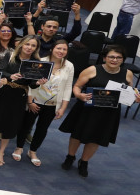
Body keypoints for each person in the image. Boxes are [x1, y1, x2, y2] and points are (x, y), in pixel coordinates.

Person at [59, 44, 140, 177]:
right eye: (111, 57)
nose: (114, 60)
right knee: (77, 134)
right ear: (104, 58)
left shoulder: (128, 74)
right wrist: (79, 95)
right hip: (87, 108)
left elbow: (130, 92)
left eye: (118, 57)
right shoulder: (92, 70)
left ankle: (84, 162)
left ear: (123, 59)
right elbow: (77, 86)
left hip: (109, 112)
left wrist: (135, 98)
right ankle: (70, 156)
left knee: (97, 138)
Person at [0, 35, 46, 166]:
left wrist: (39, 82)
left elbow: (32, 85)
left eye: (33, 46)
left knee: (9, 125)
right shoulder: (10, 56)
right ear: (22, 44)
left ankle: (1, 152)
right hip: (3, 92)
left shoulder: (36, 63)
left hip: (19, 96)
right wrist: (10, 76)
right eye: (28, 44)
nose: (29, 47)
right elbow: (0, 71)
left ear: (36, 48)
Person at [12, 39, 74, 166]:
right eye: (58, 48)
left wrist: (63, 108)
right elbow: (30, 82)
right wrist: (30, 102)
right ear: (52, 49)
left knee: (42, 129)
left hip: (52, 105)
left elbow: (68, 88)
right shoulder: (41, 61)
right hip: (35, 101)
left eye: (64, 49)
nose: (61, 51)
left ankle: (33, 151)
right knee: (26, 125)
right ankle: (19, 147)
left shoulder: (69, 66)